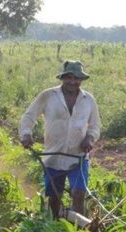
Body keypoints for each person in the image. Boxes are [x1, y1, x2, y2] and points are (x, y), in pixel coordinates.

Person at [19, 60, 101, 218]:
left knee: (78, 194)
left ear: (81, 80)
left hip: (78, 157)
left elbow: (95, 125)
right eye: (69, 78)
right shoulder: (48, 95)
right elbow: (29, 116)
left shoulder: (88, 100)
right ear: (62, 78)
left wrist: (90, 138)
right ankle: (55, 223)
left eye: (76, 78)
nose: (72, 82)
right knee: (54, 197)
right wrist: (26, 134)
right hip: (53, 157)